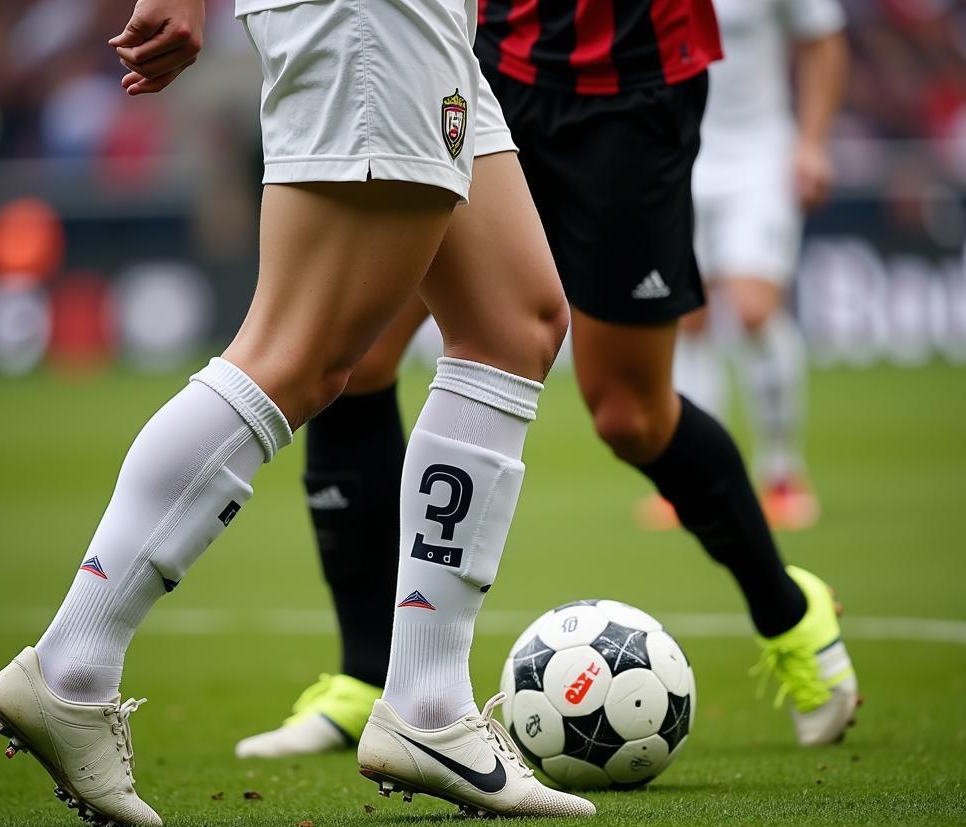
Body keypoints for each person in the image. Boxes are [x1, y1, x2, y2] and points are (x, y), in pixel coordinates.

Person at [0, 0, 598, 827]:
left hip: (426, 23)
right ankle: (72, 668)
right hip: (377, 19)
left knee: (514, 323)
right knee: (295, 355)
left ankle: (427, 703)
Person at [237, 0, 859, 762]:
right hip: (478, 64)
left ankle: (792, 614)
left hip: (632, 87)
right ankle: (369, 675)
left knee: (630, 413)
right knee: (357, 356)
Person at [670, 0, 848, 531]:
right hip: (676, 154)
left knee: (752, 308)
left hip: (758, 158)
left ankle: (781, 471)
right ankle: (701, 477)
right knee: (686, 316)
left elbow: (824, 43)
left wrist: (813, 143)